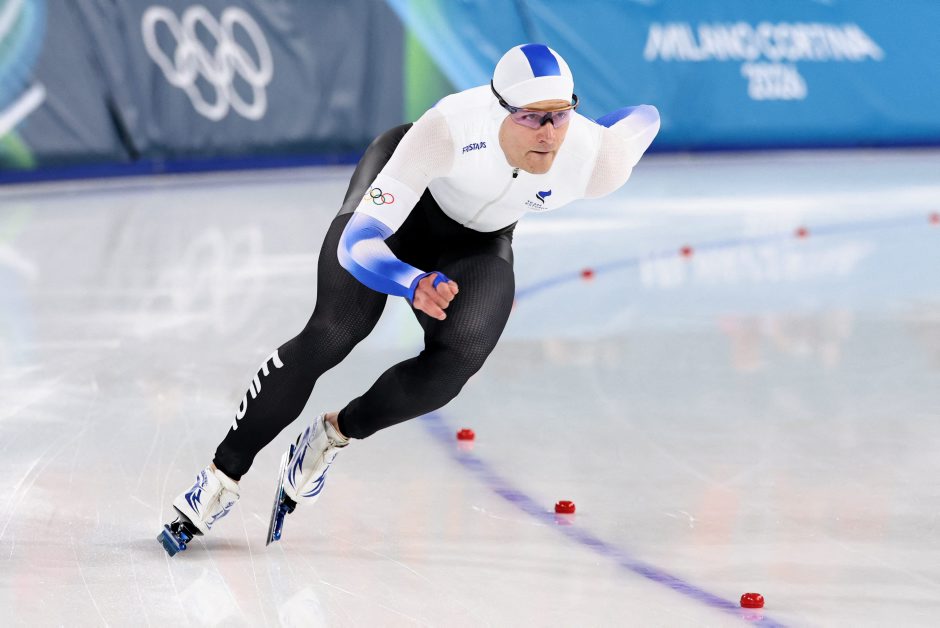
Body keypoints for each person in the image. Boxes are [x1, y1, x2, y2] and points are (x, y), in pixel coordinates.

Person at [160, 43, 660, 550]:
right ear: (498, 110)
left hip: (479, 242)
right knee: (334, 332)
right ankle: (220, 478)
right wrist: (410, 282)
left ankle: (334, 433)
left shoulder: (595, 158)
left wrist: (589, 126)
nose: (549, 134)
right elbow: (358, 244)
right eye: (532, 117)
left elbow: (645, 117)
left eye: (560, 116)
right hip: (400, 211)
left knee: (459, 358)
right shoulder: (447, 130)